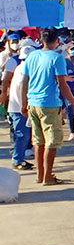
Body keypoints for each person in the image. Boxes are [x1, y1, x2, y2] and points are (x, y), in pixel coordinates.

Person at [22, 27, 74, 184]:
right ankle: (48, 176)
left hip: (33, 102)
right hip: (49, 103)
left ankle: (40, 175)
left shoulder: (32, 56)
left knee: (38, 140)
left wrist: (24, 102)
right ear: (57, 40)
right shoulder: (57, 58)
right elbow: (62, 85)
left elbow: (25, 81)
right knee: (52, 140)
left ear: (41, 40)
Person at [3, 40, 34, 169]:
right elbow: (23, 86)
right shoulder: (26, 68)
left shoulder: (20, 66)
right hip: (19, 108)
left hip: (16, 106)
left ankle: (18, 158)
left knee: (22, 134)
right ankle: (17, 160)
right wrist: (24, 105)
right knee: (22, 135)